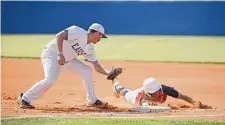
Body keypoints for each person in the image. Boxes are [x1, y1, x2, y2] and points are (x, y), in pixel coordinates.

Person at [17, 23, 111, 109]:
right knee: (50, 80)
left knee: (86, 70)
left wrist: (108, 73)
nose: (100, 39)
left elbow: (96, 65)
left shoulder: (90, 48)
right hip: (52, 54)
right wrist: (60, 54)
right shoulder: (78, 32)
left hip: (67, 60)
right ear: (97, 33)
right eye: (101, 36)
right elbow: (60, 36)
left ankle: (92, 100)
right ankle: (24, 99)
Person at [110, 77, 212, 109]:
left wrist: (194, 102)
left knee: (126, 91)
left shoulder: (164, 88)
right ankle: (115, 83)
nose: (158, 93)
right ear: (149, 92)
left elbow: (182, 96)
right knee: (126, 92)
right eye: (154, 92)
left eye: (158, 90)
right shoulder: (141, 95)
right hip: (133, 96)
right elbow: (142, 107)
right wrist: (148, 105)